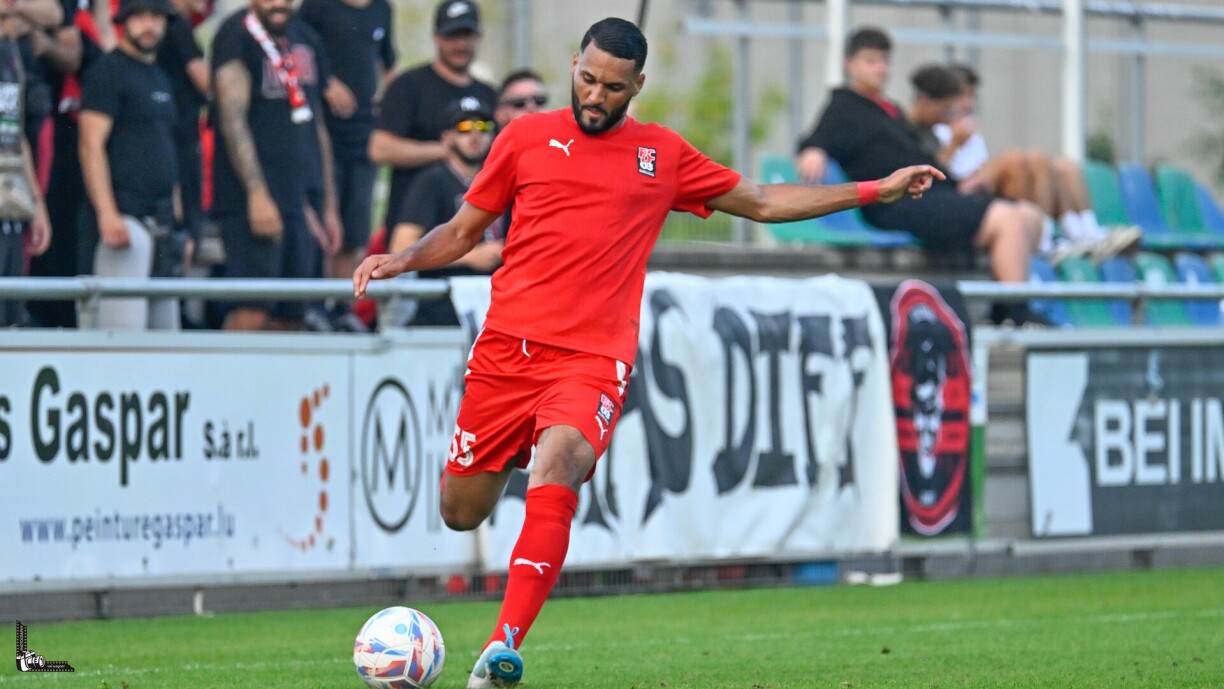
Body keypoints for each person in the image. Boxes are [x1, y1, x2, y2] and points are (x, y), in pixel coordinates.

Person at [353, 18, 940, 688]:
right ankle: (512, 487)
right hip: (505, 356)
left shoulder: (661, 155)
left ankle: (501, 648)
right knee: (461, 509)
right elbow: (462, 230)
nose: (595, 96)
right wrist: (401, 257)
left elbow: (765, 200)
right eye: (587, 79)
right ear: (575, 65)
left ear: (638, 85)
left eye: (611, 87)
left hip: (592, 358)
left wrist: (876, 189)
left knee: (564, 461)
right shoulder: (523, 137)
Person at [795, 27, 1042, 295]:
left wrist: (957, 181)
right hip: (894, 203)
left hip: (929, 195)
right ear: (850, 64)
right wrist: (813, 150)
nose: (881, 69)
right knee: (1007, 219)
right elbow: (816, 139)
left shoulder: (889, 111)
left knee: (1029, 215)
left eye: (884, 61)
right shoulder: (843, 107)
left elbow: (918, 156)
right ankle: (1016, 314)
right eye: (871, 61)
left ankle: (1005, 309)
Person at [209, 0, 340, 331]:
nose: (278, 4)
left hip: (301, 202)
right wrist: (256, 194)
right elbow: (232, 119)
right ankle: (223, 383)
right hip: (252, 200)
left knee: (292, 313)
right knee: (253, 307)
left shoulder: (307, 38)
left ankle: (277, 384)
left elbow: (318, 125)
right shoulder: (235, 34)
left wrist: (328, 206)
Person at [933, 62, 1140, 261]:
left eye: (971, 95)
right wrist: (955, 144)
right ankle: (1047, 240)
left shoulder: (968, 128)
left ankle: (1087, 234)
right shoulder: (936, 126)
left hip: (980, 187)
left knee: (1060, 165)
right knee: (1015, 159)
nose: (968, 103)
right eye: (962, 96)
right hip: (957, 193)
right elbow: (934, 168)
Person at [79, 0, 185, 329]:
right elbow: (89, 143)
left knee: (165, 342)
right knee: (121, 338)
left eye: (156, 16)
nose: (148, 25)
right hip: (124, 221)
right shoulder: (109, 71)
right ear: (123, 20)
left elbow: (166, 146)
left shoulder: (160, 77)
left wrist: (179, 215)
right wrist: (107, 212)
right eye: (139, 16)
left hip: (161, 223)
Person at [367, 0, 495, 230]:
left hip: (470, 230)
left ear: (478, 37)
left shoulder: (487, 93)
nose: (460, 45)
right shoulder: (408, 85)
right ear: (436, 37)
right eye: (452, 36)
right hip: (413, 227)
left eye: (466, 36)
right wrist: (449, 150)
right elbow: (379, 148)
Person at [298, 0, 394, 291]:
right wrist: (326, 83)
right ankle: (313, 302)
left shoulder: (382, 9)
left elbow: (387, 64)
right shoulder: (316, 7)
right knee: (322, 228)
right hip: (324, 134)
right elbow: (296, 50)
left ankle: (342, 306)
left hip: (362, 137)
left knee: (354, 233)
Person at [388, 97, 503, 326]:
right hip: (440, 312)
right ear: (446, 137)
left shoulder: (500, 181)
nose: (474, 135)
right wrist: (471, 257)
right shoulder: (432, 180)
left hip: (496, 312)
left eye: (482, 126)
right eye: (463, 127)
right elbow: (400, 246)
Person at [0, 0, 53, 326]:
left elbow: (14, 133)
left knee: (11, 318)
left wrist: (36, 203)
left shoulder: (9, 52)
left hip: (10, 204)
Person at [157, 0, 209, 257]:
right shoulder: (178, 26)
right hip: (179, 134)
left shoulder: (173, 25)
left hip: (174, 132)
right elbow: (205, 81)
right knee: (185, 229)